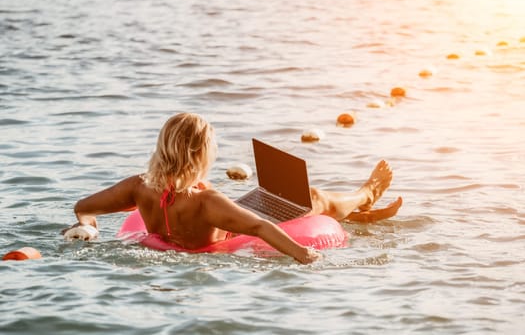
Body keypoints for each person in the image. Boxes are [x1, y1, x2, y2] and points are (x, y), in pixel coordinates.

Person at [62, 113, 402, 264]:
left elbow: (83, 206)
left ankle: (360, 212)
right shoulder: (206, 201)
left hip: (172, 240)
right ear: (198, 154)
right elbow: (257, 226)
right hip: (224, 236)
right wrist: (302, 253)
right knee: (313, 198)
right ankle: (365, 195)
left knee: (289, 194)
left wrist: (87, 228)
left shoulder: (139, 187)